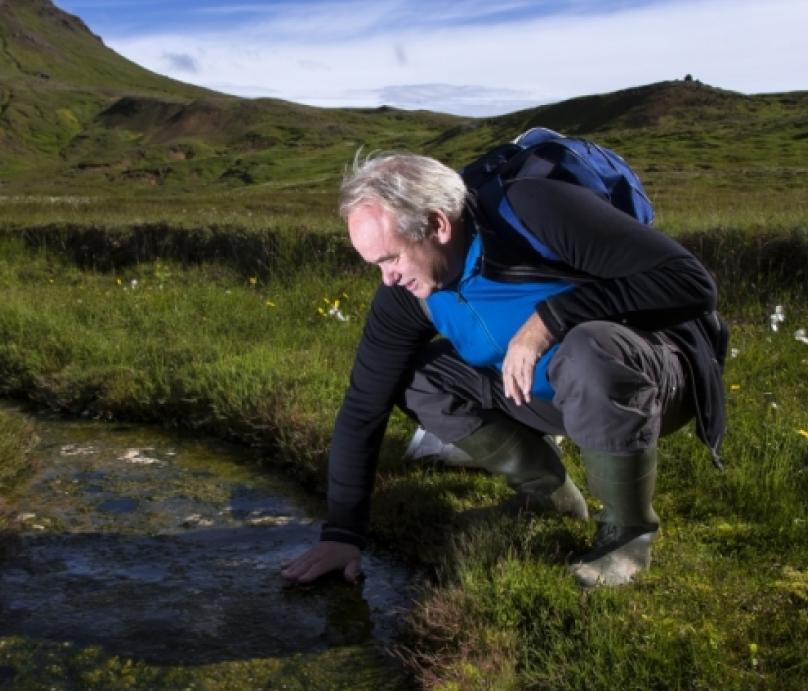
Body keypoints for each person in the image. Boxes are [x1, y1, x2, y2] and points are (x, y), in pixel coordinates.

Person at [279, 150, 726, 588]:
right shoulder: (408, 294)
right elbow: (363, 404)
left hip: (654, 382)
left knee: (589, 348)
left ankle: (627, 533)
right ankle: (547, 497)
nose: (387, 278)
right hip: (550, 395)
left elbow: (691, 283)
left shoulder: (534, 210)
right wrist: (342, 534)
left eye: (391, 258)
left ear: (437, 224)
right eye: (375, 264)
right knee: (418, 379)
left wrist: (551, 319)